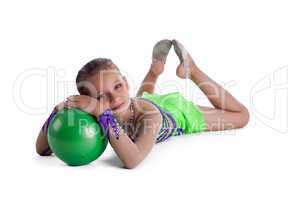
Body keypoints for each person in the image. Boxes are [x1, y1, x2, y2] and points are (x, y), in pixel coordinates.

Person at [35, 39, 249, 169]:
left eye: (118, 86)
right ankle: (154, 71)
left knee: (241, 116)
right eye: (101, 96)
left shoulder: (148, 117)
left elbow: (133, 159)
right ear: (89, 100)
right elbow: (42, 150)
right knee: (134, 101)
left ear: (125, 82)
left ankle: (192, 71)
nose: (114, 98)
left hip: (178, 112)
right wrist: (56, 113)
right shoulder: (97, 111)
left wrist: (103, 112)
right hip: (142, 101)